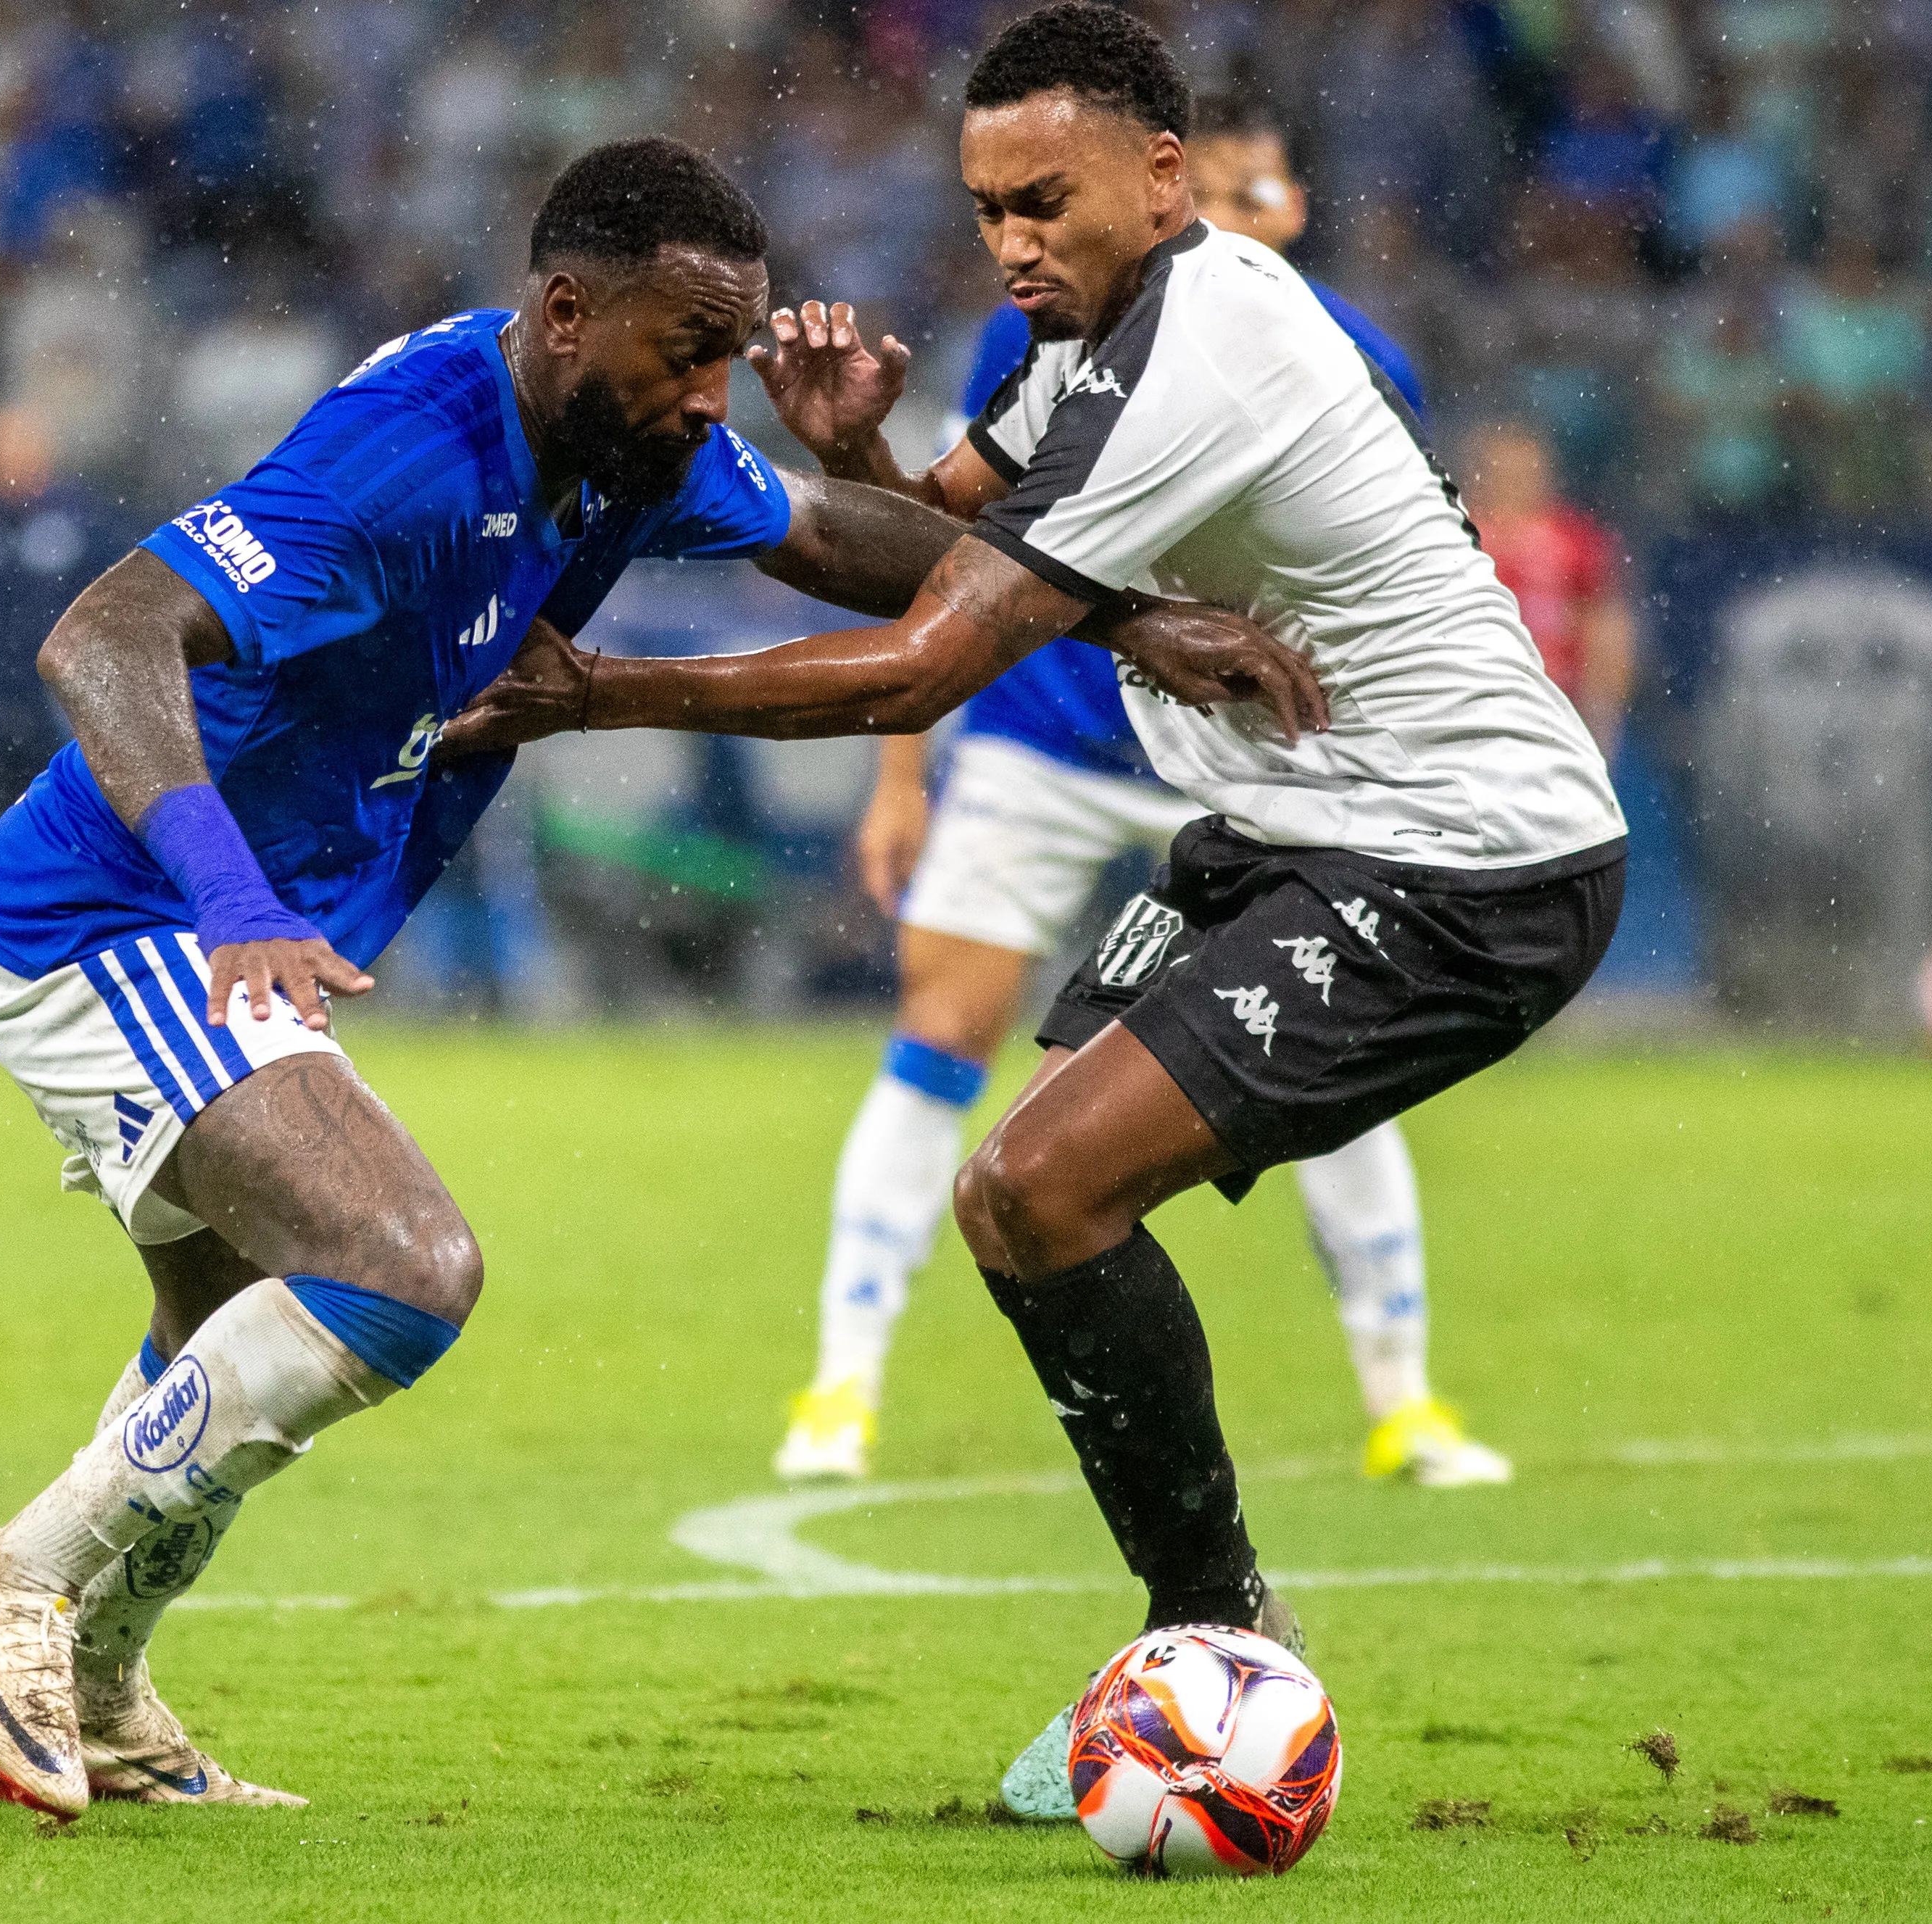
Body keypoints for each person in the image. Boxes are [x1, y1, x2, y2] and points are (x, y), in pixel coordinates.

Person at [0, 135, 1303, 1822]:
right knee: (399, 1266)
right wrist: (225, 902)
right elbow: (103, 638)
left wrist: (1116, 614)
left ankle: (109, 1689)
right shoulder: (401, 459)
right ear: (565, 313)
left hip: (233, 920)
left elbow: (836, 533)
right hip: (117, 915)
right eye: (686, 353)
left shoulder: (624, 437)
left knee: (223, 1329)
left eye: (731, 353)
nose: (716, 397)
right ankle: (10, 1580)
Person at [444, 4, 1626, 1815]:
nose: (1009, 241)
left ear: (1163, 180)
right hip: (1286, 830)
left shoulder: (1208, 340)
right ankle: (1208, 1643)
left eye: (1043, 201)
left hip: (1467, 859)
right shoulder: (1081, 341)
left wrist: (597, 689)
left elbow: (922, 668)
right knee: (1024, 1205)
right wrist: (849, 451)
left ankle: (1219, 1647)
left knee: (1035, 1184)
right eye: (986, 204)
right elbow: (940, 546)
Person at [772, 93, 1512, 1493]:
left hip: (1253, 766)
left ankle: (1402, 1399)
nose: (1234, 209)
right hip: (1045, 740)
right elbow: (937, 546)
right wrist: (897, 778)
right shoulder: (1055, 325)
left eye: (1259, 184)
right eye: (1219, 182)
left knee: (1326, 1067)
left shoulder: (1360, 357)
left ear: (1276, 209)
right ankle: (839, 1384)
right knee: (946, 1026)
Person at [1460, 418, 1636, 755]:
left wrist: (1601, 719)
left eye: (1524, 471)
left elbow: (1606, 627)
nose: (1513, 482)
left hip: (1558, 711)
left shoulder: (1575, 540)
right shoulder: (1460, 534)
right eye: (1504, 472)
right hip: (1479, 708)